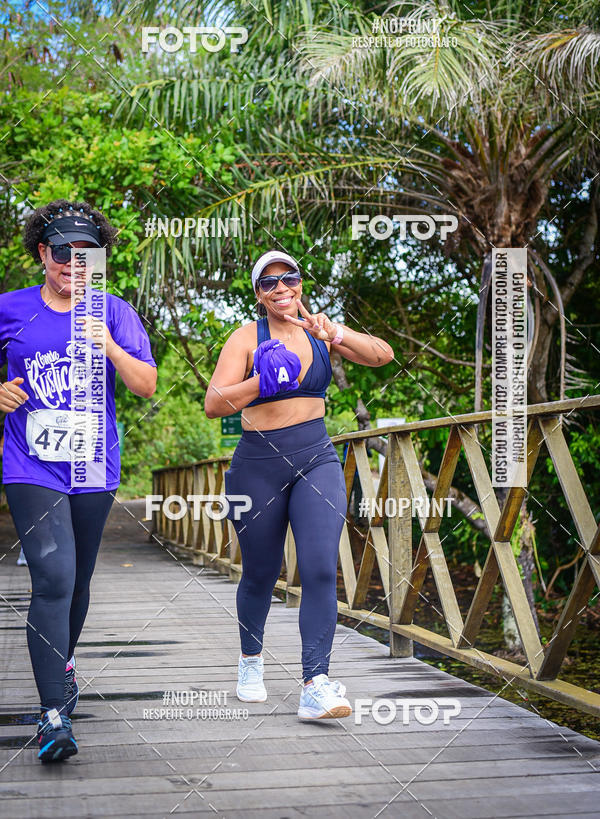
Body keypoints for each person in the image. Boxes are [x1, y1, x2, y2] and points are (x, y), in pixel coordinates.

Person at [204, 249, 394, 720]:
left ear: (300, 282)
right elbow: (213, 403)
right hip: (258, 465)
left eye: (289, 278)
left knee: (319, 569)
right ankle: (250, 661)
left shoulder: (320, 333)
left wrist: (337, 333)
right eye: (269, 283)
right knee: (262, 573)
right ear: (258, 294)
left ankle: (316, 683)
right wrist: (257, 382)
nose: (282, 288)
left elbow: (383, 355)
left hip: (316, 459)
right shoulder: (247, 337)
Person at [0, 200, 157, 762]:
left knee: (80, 579)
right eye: (62, 252)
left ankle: (62, 660)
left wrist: (108, 345)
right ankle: (52, 715)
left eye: (86, 254)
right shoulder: (11, 309)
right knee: (53, 575)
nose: (74, 263)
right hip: (30, 463)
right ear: (43, 253)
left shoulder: (115, 311)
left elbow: (145, 385)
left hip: (94, 463)